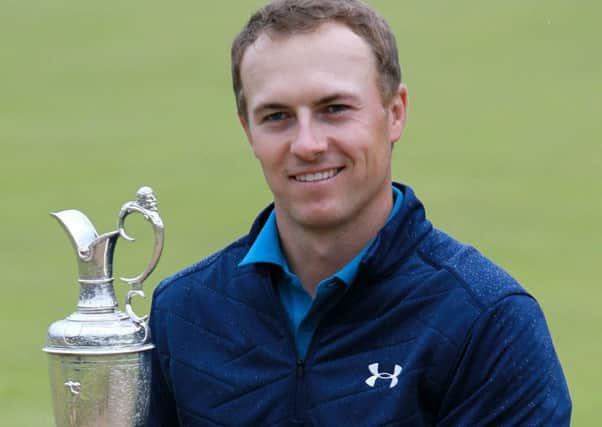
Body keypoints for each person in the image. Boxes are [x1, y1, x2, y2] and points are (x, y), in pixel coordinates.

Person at [148, 0, 571, 425]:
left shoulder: (487, 320)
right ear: (248, 131)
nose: (308, 145)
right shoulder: (184, 311)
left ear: (395, 113)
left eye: (334, 109)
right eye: (277, 116)